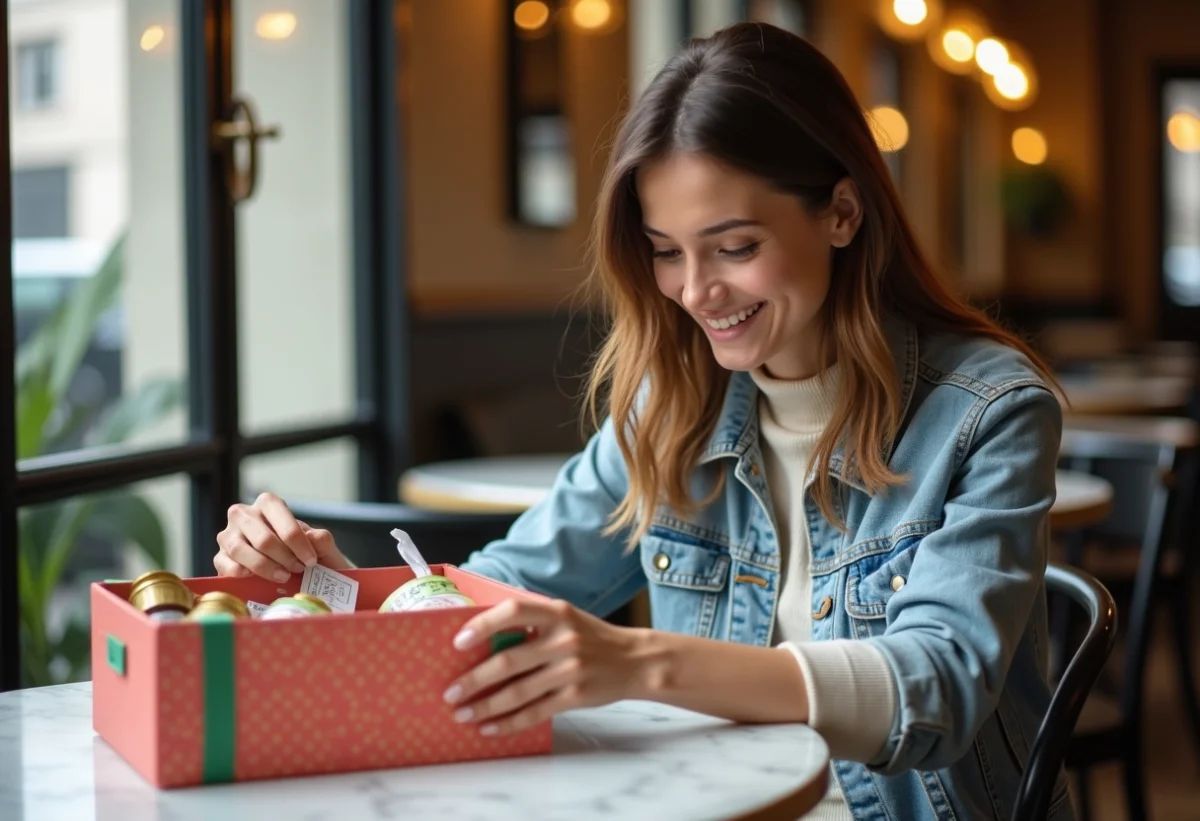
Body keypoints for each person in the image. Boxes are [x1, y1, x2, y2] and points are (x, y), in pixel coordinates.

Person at [215, 22, 1071, 821]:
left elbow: (938, 687)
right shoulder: (674, 406)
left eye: (734, 247)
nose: (696, 292)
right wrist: (329, 588)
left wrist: (637, 663)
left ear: (842, 213)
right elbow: (504, 588)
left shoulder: (990, 410)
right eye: (667, 251)